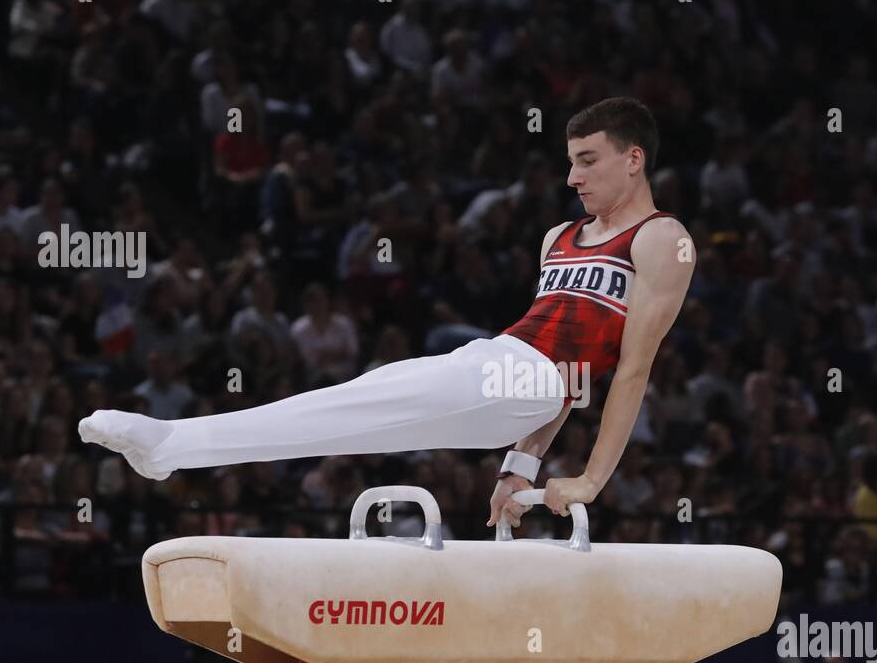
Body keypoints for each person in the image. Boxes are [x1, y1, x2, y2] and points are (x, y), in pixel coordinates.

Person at [79, 97, 695, 522]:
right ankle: (176, 450)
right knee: (364, 404)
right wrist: (520, 467)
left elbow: (631, 369)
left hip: (519, 379)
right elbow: (569, 378)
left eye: (587, 160)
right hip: (506, 372)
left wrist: (590, 480)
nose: (571, 177)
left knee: (367, 402)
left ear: (633, 158)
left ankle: (172, 446)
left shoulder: (662, 240)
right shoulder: (558, 237)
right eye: (569, 161)